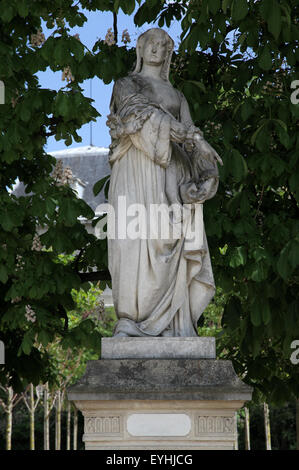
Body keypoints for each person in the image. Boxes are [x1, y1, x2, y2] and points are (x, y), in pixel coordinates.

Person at [106, 28, 222, 337]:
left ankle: (172, 322)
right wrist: (191, 136)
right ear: (140, 49)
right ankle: (130, 319)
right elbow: (137, 115)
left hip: (172, 174)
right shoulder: (127, 85)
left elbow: (192, 141)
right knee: (131, 241)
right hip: (135, 167)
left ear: (168, 53)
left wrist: (207, 173)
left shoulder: (177, 96)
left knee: (168, 238)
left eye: (163, 45)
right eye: (151, 43)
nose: (157, 49)